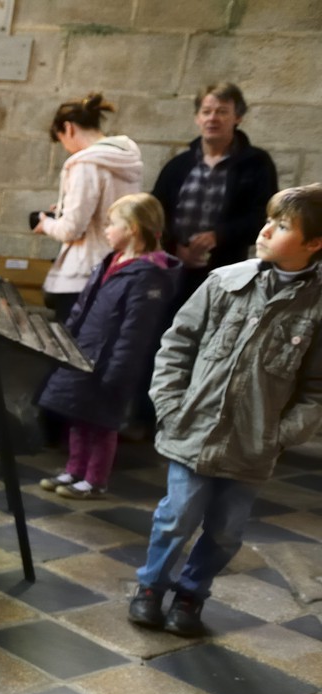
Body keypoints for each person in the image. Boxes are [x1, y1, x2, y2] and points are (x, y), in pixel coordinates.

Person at [128, 185, 322, 637]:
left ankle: (192, 594)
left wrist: (277, 434)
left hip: (253, 445)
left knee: (226, 531)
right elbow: (176, 345)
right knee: (177, 515)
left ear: (313, 244)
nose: (266, 230)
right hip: (194, 428)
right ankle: (151, 587)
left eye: (283, 226)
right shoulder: (225, 282)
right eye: (269, 218)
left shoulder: (316, 308)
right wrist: (172, 404)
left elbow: (316, 390)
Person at [36, 194, 182, 499]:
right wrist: (68, 338)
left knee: (101, 422)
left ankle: (95, 480)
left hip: (112, 360)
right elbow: (85, 304)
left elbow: (135, 331)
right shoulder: (112, 261)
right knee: (78, 415)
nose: (106, 230)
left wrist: (119, 369)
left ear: (132, 228)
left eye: (111, 224)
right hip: (86, 350)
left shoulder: (148, 275)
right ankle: (74, 470)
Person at [151, 82, 280, 302]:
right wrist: (175, 248)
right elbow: (155, 214)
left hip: (226, 272)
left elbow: (265, 217)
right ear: (197, 118)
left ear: (238, 118)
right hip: (173, 270)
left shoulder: (256, 164)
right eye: (206, 111)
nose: (213, 118)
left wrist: (218, 235)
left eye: (222, 112)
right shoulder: (178, 166)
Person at [34, 93, 143, 323]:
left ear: (69, 128)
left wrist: (46, 223)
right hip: (118, 267)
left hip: (84, 275)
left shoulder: (86, 165)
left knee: (71, 350)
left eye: (61, 139)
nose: (67, 148)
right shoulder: (127, 159)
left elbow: (71, 230)